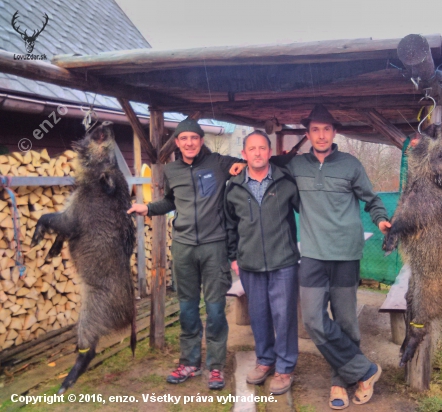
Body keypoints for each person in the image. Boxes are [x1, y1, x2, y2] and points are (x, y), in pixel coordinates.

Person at [232, 104, 391, 409]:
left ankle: (339, 384)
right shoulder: (296, 166)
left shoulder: (351, 165)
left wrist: (381, 219)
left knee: (345, 321)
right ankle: (365, 371)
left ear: (334, 133)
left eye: (326, 129)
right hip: (313, 256)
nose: (321, 135)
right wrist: (237, 163)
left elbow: (372, 200)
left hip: (345, 254)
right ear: (308, 134)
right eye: (315, 130)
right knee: (314, 321)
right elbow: (263, 160)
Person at [127, 118, 244, 390]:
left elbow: (249, 160)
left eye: (194, 137)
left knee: (215, 309)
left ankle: (216, 367)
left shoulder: (218, 163)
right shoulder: (172, 170)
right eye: (184, 138)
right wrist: (148, 208)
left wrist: (243, 165)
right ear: (177, 143)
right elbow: (170, 201)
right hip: (183, 247)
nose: (189, 142)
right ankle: (190, 362)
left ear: (201, 140)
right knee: (187, 308)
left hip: (215, 247)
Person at [224, 130, 300, 395]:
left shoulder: (286, 181)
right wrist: (234, 257)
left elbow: (308, 210)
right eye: (251, 149)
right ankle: (265, 361)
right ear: (244, 155)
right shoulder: (233, 187)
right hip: (250, 264)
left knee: (285, 315)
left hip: (284, 262)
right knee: (258, 315)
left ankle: (285, 367)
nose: (257, 153)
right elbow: (230, 226)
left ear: (270, 152)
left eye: (262, 148)